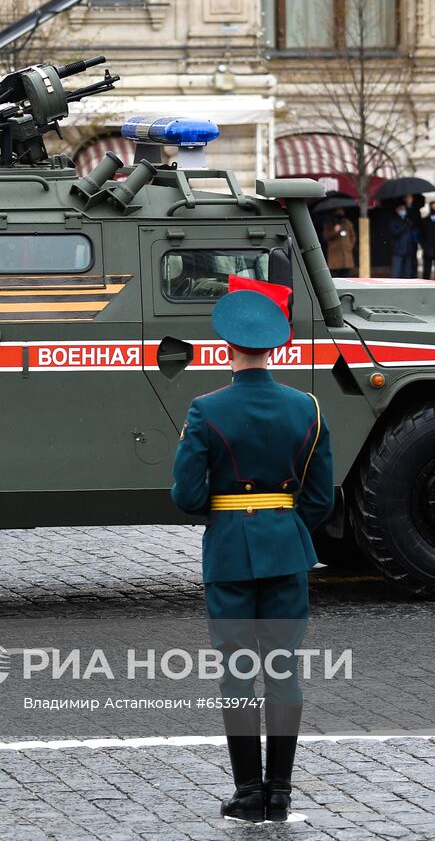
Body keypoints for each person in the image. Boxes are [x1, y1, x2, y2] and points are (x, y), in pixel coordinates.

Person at [171, 287, 334, 825]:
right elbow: (319, 496)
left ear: (227, 349)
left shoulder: (206, 410)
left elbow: (189, 497)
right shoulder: (306, 407)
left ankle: (248, 793)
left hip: (229, 558)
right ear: (275, 350)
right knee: (283, 670)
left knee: (238, 673)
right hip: (287, 551)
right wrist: (281, 527)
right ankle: (281, 793)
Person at [322, 210, 356, 277]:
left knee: (346, 274)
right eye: (337, 216)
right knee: (335, 275)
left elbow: (353, 236)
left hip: (346, 253)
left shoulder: (347, 223)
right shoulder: (329, 224)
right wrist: (335, 231)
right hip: (335, 254)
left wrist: (350, 245)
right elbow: (326, 236)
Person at [388, 205, 418, 277]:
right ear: (397, 210)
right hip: (398, 249)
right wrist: (404, 225)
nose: (403, 211)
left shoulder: (408, 219)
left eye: (404, 209)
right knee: (396, 271)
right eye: (401, 209)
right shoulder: (394, 220)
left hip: (408, 249)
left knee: (407, 272)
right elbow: (394, 232)